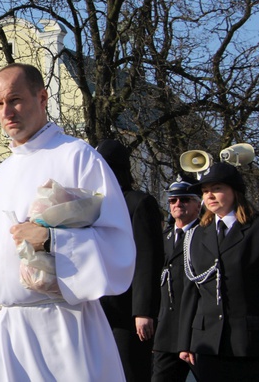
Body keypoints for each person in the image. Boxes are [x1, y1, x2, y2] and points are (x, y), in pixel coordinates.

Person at [0, 63, 135, 381]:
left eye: (15, 99)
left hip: (60, 327)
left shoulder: (78, 156)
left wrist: (50, 240)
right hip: (2, 329)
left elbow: (118, 247)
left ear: (42, 97)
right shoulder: (2, 171)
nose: (7, 111)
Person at [178, 162, 259, 381]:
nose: (209, 195)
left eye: (216, 188)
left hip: (256, 342)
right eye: (205, 191)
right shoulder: (196, 235)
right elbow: (191, 291)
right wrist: (184, 341)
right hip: (210, 343)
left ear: (235, 191)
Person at [97, 138, 164, 382]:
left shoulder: (139, 203)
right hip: (99, 309)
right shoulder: (95, 206)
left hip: (127, 313)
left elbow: (148, 260)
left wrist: (143, 311)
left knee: (130, 372)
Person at [151, 176, 200, 382]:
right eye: (173, 200)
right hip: (168, 330)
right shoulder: (165, 237)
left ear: (198, 204)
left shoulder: (205, 235)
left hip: (197, 329)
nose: (178, 204)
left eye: (184, 199)